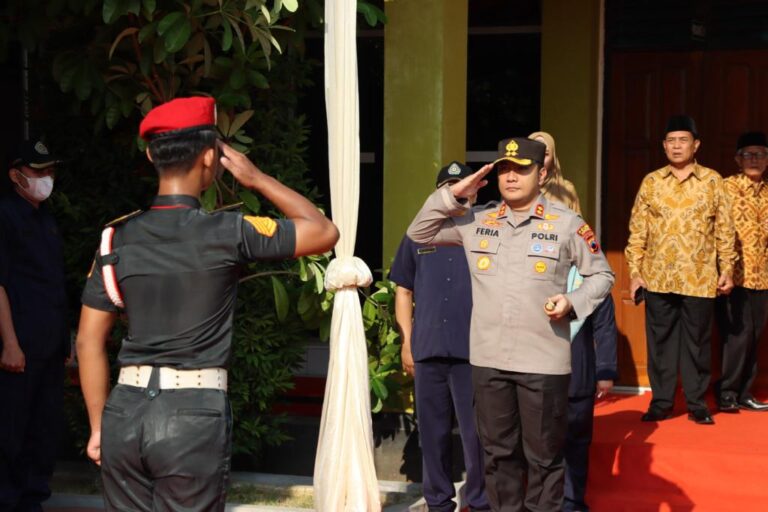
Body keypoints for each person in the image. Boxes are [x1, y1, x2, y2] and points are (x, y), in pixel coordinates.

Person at [75, 96, 339, 511]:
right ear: (210, 158)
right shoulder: (229, 231)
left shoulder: (116, 239)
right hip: (192, 415)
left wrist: (97, 428)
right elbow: (322, 231)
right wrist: (256, 179)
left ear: (150, 154)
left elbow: (89, 342)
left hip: (123, 414)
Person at [406, 138, 614, 512]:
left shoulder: (567, 224)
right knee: (498, 457)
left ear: (543, 173)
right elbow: (419, 233)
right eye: (504, 169)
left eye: (522, 169)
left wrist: (572, 302)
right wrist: (455, 194)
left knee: (544, 459)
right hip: (489, 361)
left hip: (543, 362)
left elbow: (600, 274)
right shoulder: (475, 221)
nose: (512, 177)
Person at [391, 161, 489, 512]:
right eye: (451, 187)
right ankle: (438, 503)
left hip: (472, 351)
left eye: (465, 187)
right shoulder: (417, 235)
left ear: (475, 192)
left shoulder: (484, 232)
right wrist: (406, 341)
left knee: (476, 435)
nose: (460, 193)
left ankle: (479, 502)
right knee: (431, 436)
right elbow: (403, 290)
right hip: (428, 349)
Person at [625, 115, 736, 425]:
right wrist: (635, 271)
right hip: (658, 276)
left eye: (682, 140)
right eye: (671, 141)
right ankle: (661, 402)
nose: (676, 146)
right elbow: (638, 231)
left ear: (695, 144)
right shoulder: (651, 181)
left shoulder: (713, 180)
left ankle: (696, 402)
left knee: (697, 343)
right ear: (664, 146)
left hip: (699, 277)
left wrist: (726, 268)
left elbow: (725, 230)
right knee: (660, 343)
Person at [531, 130, 618, 511]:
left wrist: (606, 370)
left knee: (576, 438)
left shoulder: (588, 271)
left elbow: (603, 317)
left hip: (576, 365)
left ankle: (571, 501)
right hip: (533, 360)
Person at [0, 140, 69, 512]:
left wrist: (66, 339)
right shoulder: (6, 216)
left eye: (49, 171)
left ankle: (31, 501)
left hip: (49, 345)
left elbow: (53, 282)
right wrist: (9, 343)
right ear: (16, 175)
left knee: (44, 429)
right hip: (19, 346)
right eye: (38, 171)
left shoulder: (45, 219)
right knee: (12, 429)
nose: (46, 178)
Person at [715, 131, 768, 413]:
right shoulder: (725, 188)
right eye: (748, 154)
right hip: (733, 276)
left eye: (760, 154)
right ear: (737, 159)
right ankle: (727, 391)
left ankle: (745, 391)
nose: (754, 159)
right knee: (738, 335)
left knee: (756, 334)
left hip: (763, 277)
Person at [562, 269, 617, 512]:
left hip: (578, 371)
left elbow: (604, 327)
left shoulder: (593, 281)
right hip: (538, 372)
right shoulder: (537, 268)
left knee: (576, 443)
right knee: (541, 444)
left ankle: (572, 502)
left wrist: (605, 371)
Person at [528, 131, 581, 214]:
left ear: (553, 158)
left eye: (545, 154)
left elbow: (578, 225)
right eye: (533, 153)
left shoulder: (567, 190)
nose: (539, 159)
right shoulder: (515, 187)